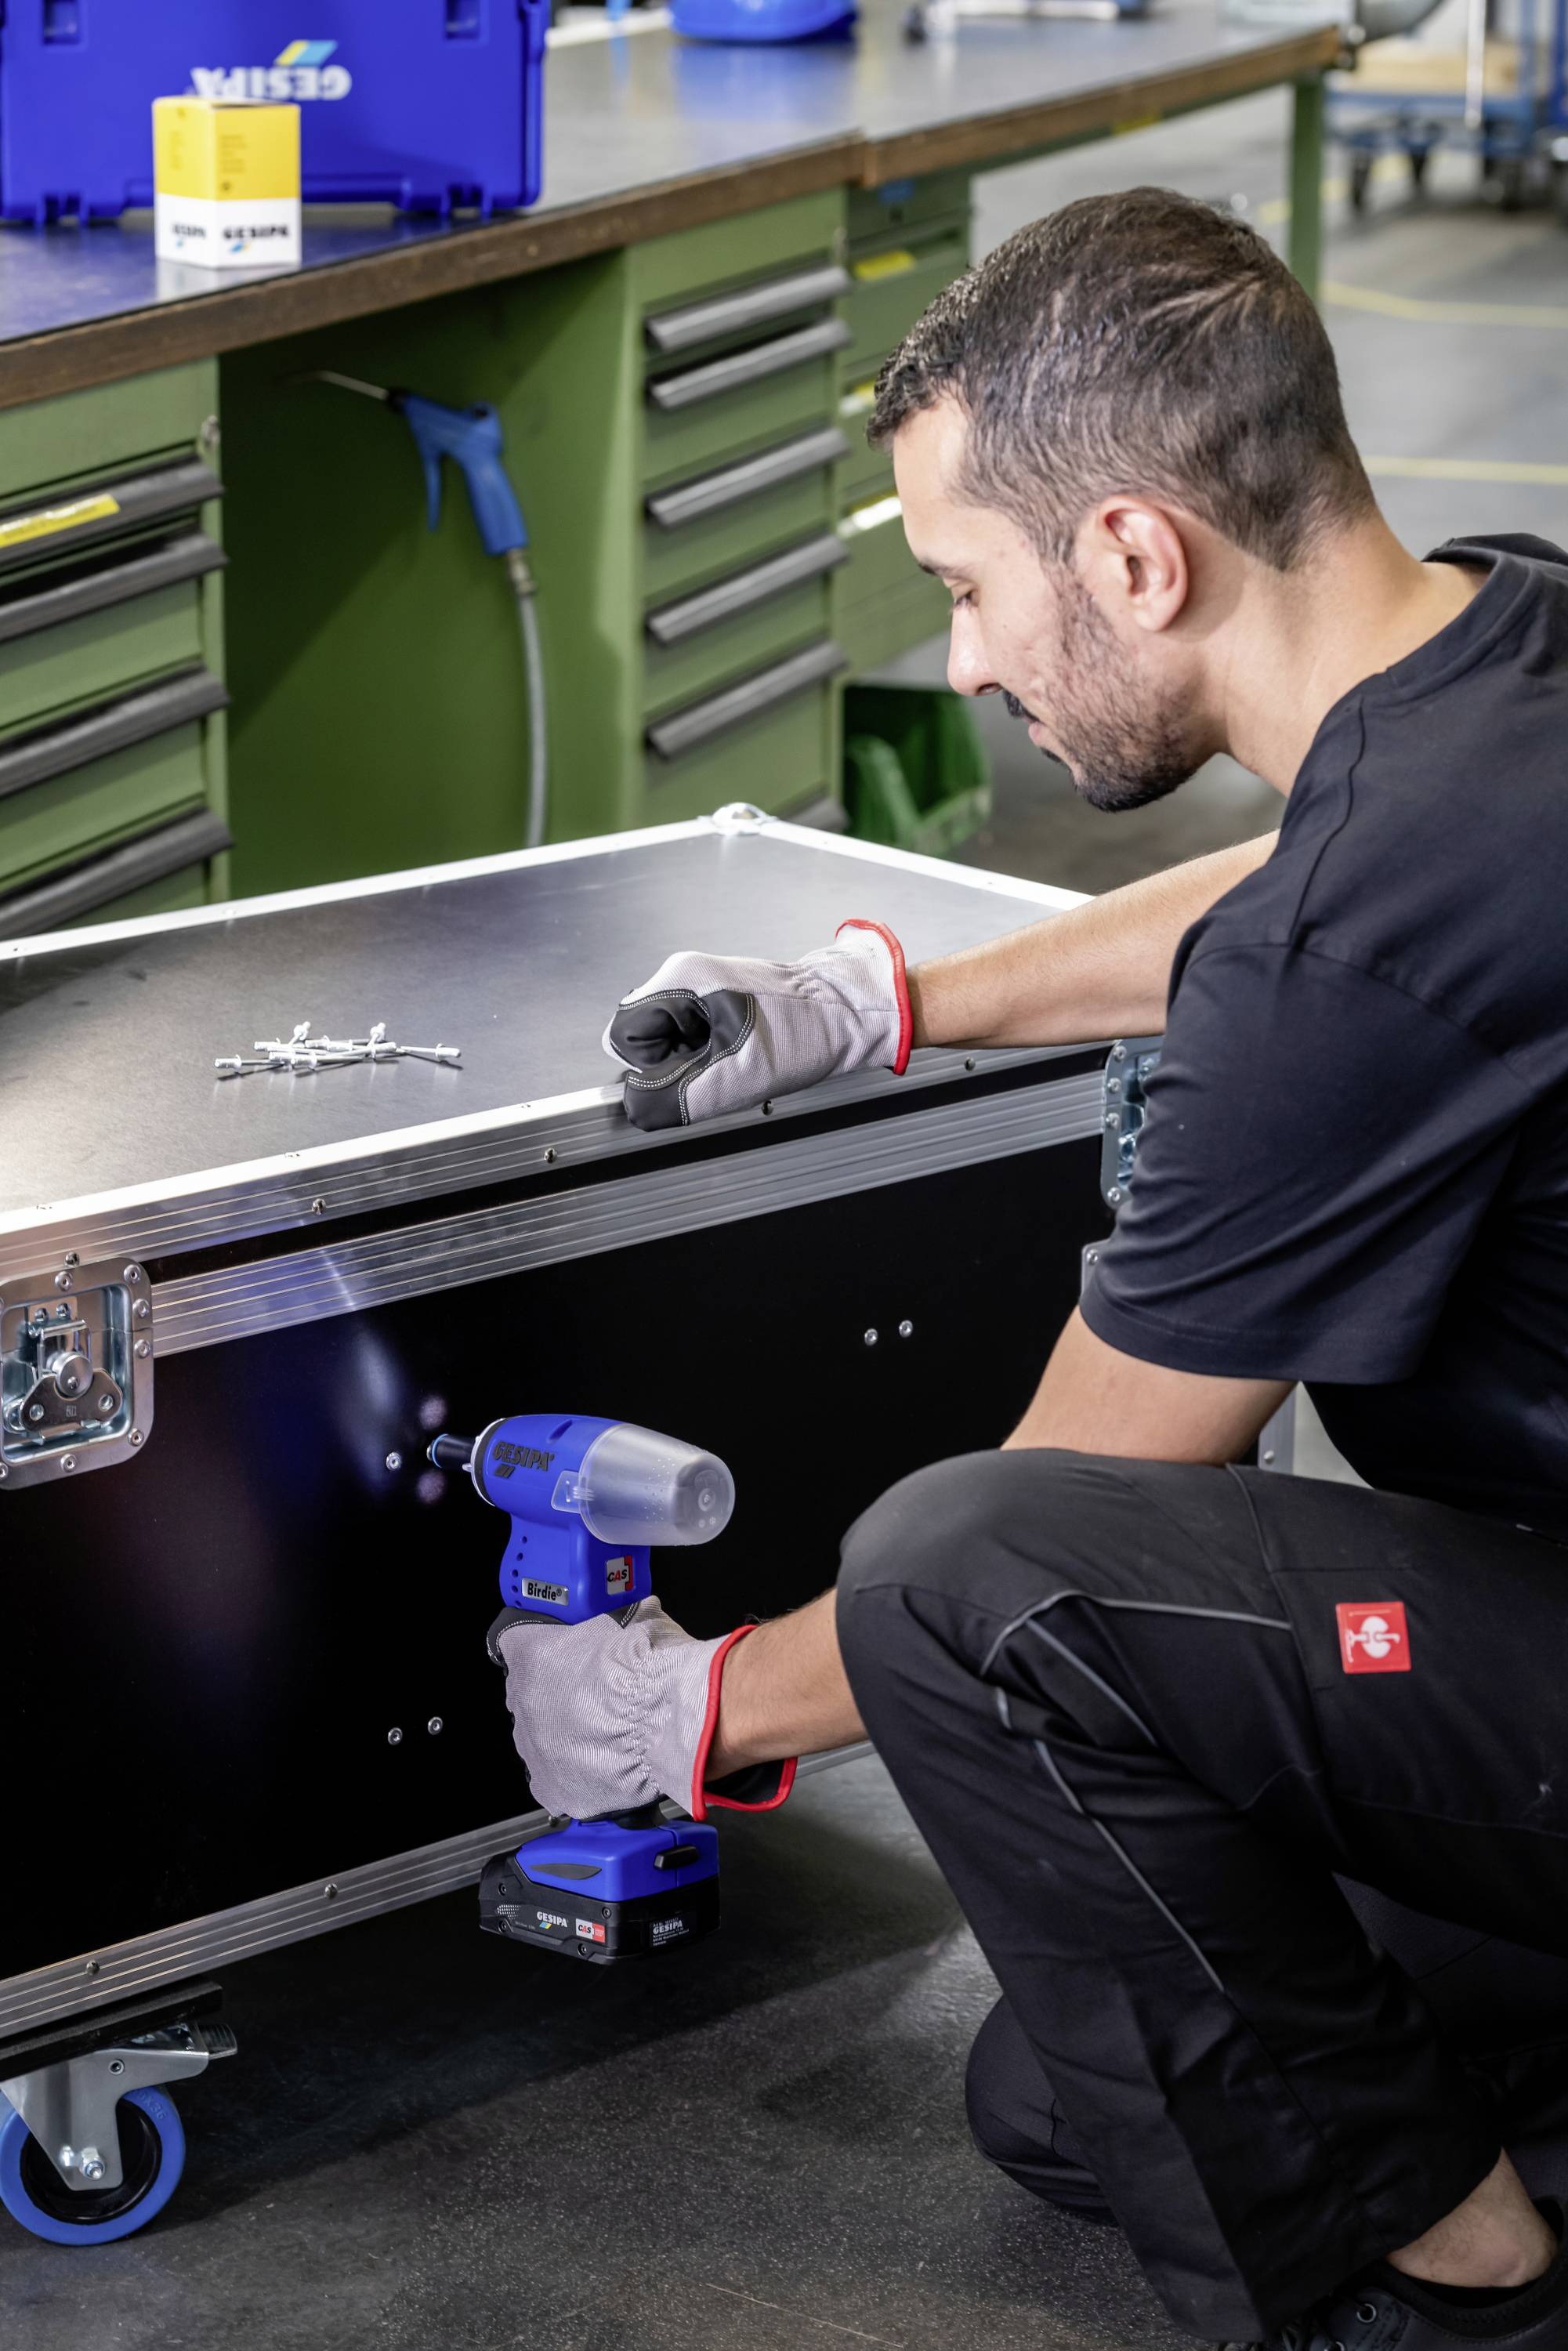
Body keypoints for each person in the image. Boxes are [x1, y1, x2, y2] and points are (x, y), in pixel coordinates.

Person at [489, 189, 1568, 2349]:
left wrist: (693, 1712)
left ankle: (1471, 2295)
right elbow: (1290, 880)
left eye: (966, 588)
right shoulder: (1508, 646)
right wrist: (894, 998)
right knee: (1083, 2093)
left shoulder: (1350, 955)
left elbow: (1070, 1523)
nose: (963, 659)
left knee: (953, 1569)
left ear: (1136, 555)